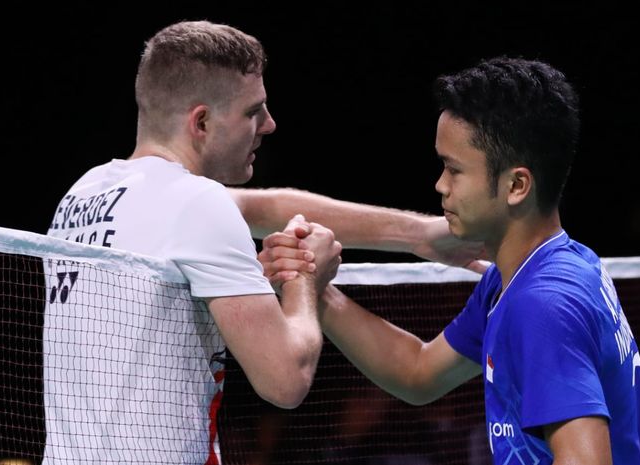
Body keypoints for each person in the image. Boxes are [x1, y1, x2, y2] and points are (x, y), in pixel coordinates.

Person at [45, 20, 482, 464]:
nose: (269, 124)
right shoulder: (198, 204)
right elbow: (285, 381)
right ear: (202, 122)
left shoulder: (84, 192)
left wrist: (421, 237)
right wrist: (305, 282)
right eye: (253, 111)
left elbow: (269, 206)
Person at [260, 57, 640, 464]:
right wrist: (315, 289)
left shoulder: (542, 305)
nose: (440, 185)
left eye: (454, 170)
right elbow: (418, 372)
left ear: (517, 185)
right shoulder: (532, 273)